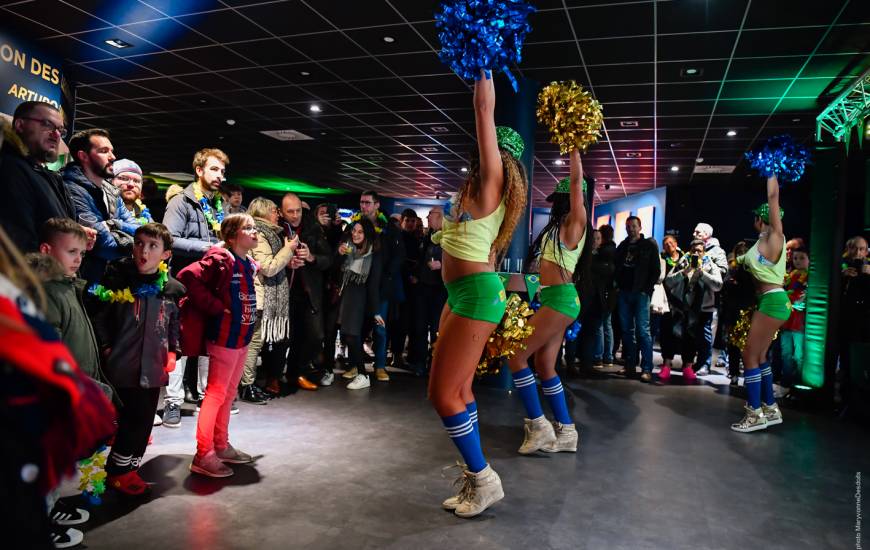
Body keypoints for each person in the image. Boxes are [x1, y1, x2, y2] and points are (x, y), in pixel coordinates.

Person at [428, 73, 527, 518]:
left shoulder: (492, 182)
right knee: (459, 389)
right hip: (462, 292)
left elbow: (483, 111)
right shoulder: (476, 191)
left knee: (442, 394)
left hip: (475, 295)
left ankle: (484, 478)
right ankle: (474, 482)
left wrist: (482, 66)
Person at [0, 225, 114, 550]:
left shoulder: (65, 285)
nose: (78, 259)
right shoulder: (47, 294)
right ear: (47, 252)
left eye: (81, 253)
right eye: (71, 252)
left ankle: (50, 508)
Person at [90, 223, 185, 493]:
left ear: (166, 254)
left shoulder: (172, 288)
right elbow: (98, 317)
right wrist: (107, 348)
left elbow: (173, 323)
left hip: (152, 367)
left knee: (143, 421)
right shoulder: (116, 278)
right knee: (123, 421)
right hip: (120, 365)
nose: (144, 250)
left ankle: (126, 469)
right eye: (139, 243)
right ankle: (118, 471)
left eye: (153, 246)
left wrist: (172, 351)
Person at [509, 149, 587, 455]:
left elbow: (579, 183)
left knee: (515, 355)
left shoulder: (574, 224)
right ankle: (567, 432)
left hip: (562, 300)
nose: (554, 205)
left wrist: (575, 150)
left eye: (559, 200)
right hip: (555, 298)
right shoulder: (555, 230)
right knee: (543, 364)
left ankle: (539, 425)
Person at [178, 214, 258, 477]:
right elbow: (187, 276)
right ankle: (204, 453)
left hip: (241, 339)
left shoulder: (248, 263)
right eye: (248, 228)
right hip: (224, 338)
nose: (255, 231)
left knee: (228, 393)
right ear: (232, 236)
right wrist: (215, 307)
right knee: (215, 394)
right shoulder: (222, 259)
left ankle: (221, 445)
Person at [161, 148, 229, 427]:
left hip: (211, 282)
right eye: (214, 169)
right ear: (199, 170)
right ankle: (173, 402)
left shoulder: (217, 205)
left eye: (223, 171)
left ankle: (205, 395)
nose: (220, 176)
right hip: (184, 282)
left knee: (208, 339)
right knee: (180, 340)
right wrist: (207, 247)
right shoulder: (181, 201)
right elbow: (169, 239)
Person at [730, 177, 789, 432]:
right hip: (772, 302)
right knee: (761, 355)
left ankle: (754, 414)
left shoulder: (775, 236)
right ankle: (770, 408)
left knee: (749, 355)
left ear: (760, 219)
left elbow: (773, 198)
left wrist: (771, 170)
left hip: (772, 302)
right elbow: (745, 260)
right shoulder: (760, 244)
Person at [0, 102, 92, 254]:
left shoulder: (45, 175)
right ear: (20, 125)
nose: (56, 135)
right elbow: (17, 243)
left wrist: (75, 234)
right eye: (47, 125)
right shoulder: (10, 169)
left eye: (60, 130)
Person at [63, 128, 142, 284]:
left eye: (111, 151)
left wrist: (115, 225)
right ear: (83, 156)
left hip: (111, 279)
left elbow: (140, 228)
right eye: (104, 151)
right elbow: (103, 245)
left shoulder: (110, 190)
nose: (112, 157)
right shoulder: (71, 188)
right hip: (84, 282)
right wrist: (144, 248)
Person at [239, 198, 297, 403]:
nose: (278, 214)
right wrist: (289, 249)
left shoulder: (269, 233)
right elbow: (269, 267)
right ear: (263, 212)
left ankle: (248, 384)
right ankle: (247, 386)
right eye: (274, 210)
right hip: (259, 295)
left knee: (255, 342)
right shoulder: (261, 235)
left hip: (263, 294)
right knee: (253, 343)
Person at [279, 193, 333, 389]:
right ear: (282, 212)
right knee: (287, 337)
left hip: (310, 292)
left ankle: (299, 370)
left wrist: (311, 257)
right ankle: (286, 375)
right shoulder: (278, 231)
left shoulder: (313, 230)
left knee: (316, 335)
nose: (295, 215)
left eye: (298, 211)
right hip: (285, 292)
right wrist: (288, 263)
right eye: (290, 212)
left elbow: (328, 260)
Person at [354, 190, 405, 382]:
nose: (364, 206)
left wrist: (387, 275)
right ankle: (355, 364)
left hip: (381, 286)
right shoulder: (355, 226)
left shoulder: (389, 229)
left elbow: (399, 255)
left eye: (367, 202)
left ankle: (380, 365)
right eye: (361, 202)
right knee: (357, 327)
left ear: (377, 205)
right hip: (359, 285)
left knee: (380, 328)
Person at [663, 239, 723, 382]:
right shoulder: (683, 262)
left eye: (699, 251)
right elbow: (669, 281)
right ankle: (666, 366)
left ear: (704, 252)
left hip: (699, 309)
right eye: (694, 251)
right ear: (690, 251)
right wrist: (684, 272)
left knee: (691, 337)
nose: (696, 253)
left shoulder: (710, 264)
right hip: (679, 307)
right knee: (672, 335)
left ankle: (688, 367)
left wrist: (703, 274)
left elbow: (718, 285)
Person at [337, 218, 384, 390]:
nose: (355, 235)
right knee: (348, 335)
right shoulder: (349, 249)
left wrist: (376, 311)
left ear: (367, 234)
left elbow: (373, 284)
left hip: (360, 296)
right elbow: (337, 271)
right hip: (347, 294)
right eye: (354, 231)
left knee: (353, 335)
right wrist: (339, 254)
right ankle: (360, 373)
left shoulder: (374, 254)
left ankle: (363, 375)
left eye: (360, 231)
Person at [614, 216, 660, 382]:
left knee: (643, 332)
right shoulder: (623, 246)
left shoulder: (649, 245)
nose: (631, 228)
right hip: (624, 293)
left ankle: (647, 369)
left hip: (640, 294)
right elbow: (616, 266)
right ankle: (630, 365)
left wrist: (646, 290)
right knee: (627, 332)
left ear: (640, 227)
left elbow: (656, 270)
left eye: (634, 226)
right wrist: (617, 286)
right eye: (628, 226)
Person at [690, 223, 728, 375]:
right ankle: (695, 362)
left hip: (708, 298)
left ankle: (705, 364)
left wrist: (707, 268)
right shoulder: (694, 247)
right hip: (693, 297)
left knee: (706, 333)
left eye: (698, 232)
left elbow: (724, 270)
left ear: (706, 234)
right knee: (694, 332)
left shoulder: (717, 251)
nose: (694, 233)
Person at [838, 235, 870, 414]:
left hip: (864, 324)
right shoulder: (840, 267)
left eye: (862, 249)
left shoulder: (868, 267)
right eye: (854, 248)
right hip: (845, 323)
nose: (858, 253)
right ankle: (846, 402)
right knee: (846, 363)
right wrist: (842, 277)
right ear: (848, 249)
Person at [414, 206, 447, 374]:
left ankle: (435, 363)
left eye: (430, 215)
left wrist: (442, 265)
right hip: (423, 288)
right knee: (419, 326)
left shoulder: (449, 237)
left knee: (437, 328)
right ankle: (419, 362)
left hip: (440, 291)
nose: (427, 218)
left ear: (440, 217)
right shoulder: (427, 237)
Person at [781, 247, 809, 389]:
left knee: (798, 355)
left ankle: (797, 381)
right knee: (786, 353)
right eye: (795, 258)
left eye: (802, 258)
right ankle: (786, 381)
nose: (797, 261)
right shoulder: (790, 276)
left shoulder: (811, 278)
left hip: (800, 322)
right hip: (787, 320)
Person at [658, 235, 682, 374]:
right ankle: (666, 361)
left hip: (681, 301)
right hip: (666, 300)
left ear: (676, 243)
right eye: (666, 244)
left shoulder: (685, 257)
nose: (669, 245)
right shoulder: (662, 259)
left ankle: (686, 364)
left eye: (671, 243)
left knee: (681, 333)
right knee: (666, 332)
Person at [112, 159, 153, 223]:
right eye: (124, 178)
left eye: (137, 181)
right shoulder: (97, 210)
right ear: (109, 181)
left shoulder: (145, 215)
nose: (131, 184)